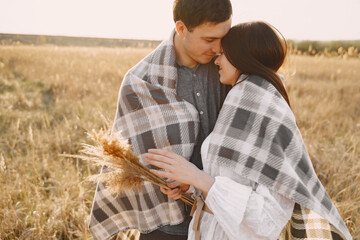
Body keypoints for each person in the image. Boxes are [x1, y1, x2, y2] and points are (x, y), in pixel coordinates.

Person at [144, 21, 352, 240]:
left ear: (241, 57)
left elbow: (268, 219)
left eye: (224, 53)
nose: (217, 60)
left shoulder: (260, 105)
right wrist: (192, 186)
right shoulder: (241, 98)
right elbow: (235, 178)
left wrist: (200, 179)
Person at [88, 0, 232, 239]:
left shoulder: (228, 67)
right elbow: (136, 159)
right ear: (181, 28)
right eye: (209, 40)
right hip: (167, 223)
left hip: (220, 216)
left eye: (223, 39)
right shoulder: (140, 81)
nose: (218, 49)